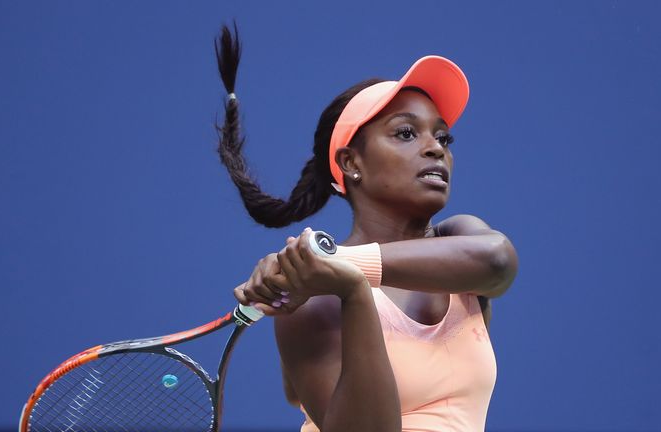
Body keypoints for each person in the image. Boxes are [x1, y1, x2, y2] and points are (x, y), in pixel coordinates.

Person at [214, 25, 518, 432]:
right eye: (406, 133)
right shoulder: (314, 302)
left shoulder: (460, 239)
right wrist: (352, 291)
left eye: (444, 137)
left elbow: (498, 261)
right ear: (352, 163)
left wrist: (333, 264)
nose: (435, 148)